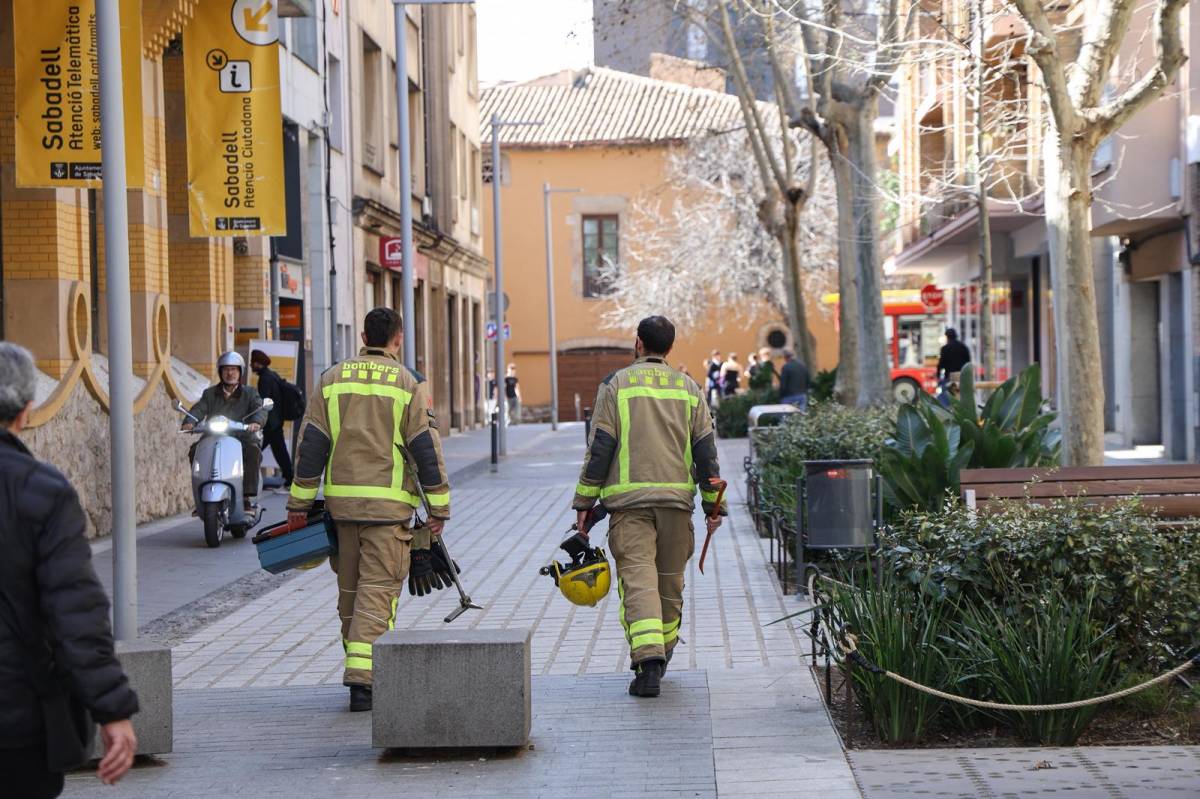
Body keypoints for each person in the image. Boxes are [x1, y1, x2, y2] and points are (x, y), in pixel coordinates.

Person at [287, 308, 452, 713]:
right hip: (387, 510)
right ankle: (363, 680)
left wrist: (298, 505)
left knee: (350, 594)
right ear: (398, 338)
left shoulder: (331, 379)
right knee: (377, 594)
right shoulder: (408, 383)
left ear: (363, 335)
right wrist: (439, 508)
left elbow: (311, 447)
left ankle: (358, 664)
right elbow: (424, 450)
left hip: (341, 511)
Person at [0, 343, 139, 797]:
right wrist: (112, 710)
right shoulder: (41, 491)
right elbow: (74, 612)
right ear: (26, 411)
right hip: (17, 724)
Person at [572, 316, 725, 698]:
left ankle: (649, 662)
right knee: (669, 585)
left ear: (638, 343)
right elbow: (707, 453)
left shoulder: (616, 385)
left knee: (639, 582)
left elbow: (600, 448)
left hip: (630, 508)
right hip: (676, 506)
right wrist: (712, 506)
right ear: (669, 348)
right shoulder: (690, 389)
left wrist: (584, 503)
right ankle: (664, 651)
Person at [182, 351, 267, 511]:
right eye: (226, 369)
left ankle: (246, 497)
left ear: (240, 372)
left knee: (253, 451)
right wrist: (190, 421)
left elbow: (259, 408)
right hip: (214, 436)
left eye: (234, 369)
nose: (230, 373)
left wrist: (256, 422)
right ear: (220, 372)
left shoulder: (250, 393)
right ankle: (202, 489)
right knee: (195, 451)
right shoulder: (210, 394)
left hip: (242, 436)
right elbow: (199, 408)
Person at [249, 350, 294, 489]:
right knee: (279, 451)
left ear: (258, 363)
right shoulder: (271, 375)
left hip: (270, 423)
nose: (251, 366)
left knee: (252, 450)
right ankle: (290, 478)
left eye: (253, 363)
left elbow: (264, 402)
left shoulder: (265, 379)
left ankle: (247, 479)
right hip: (275, 421)